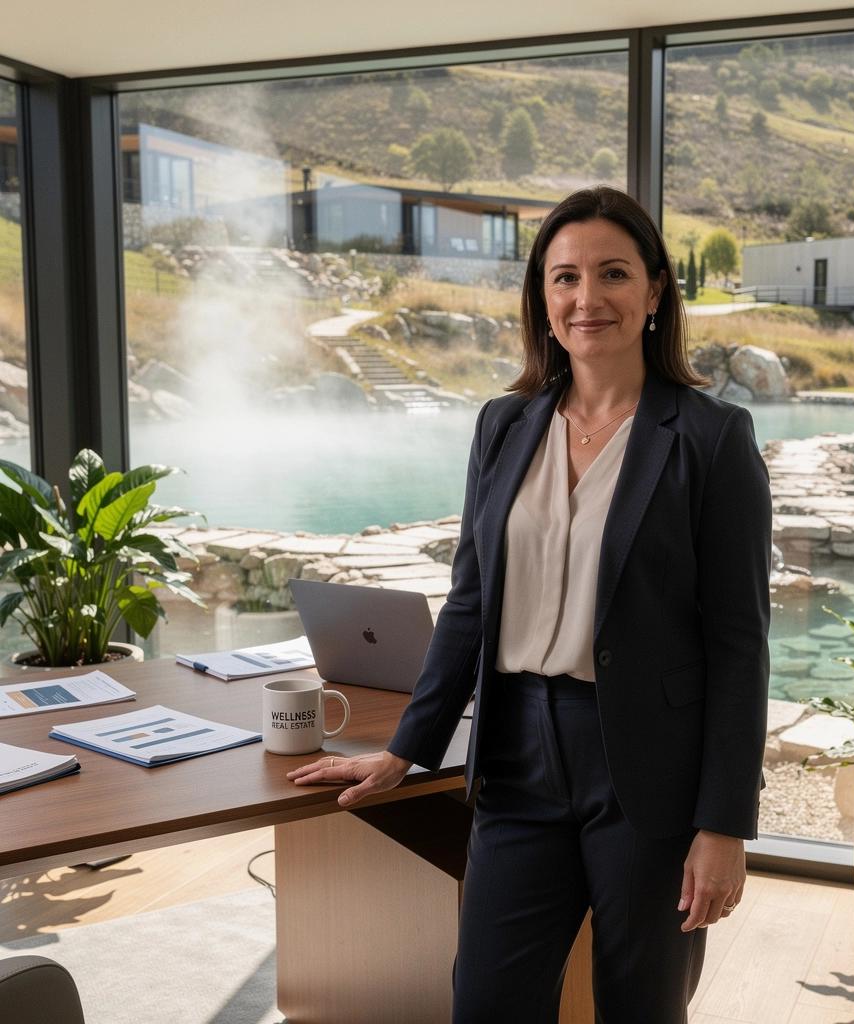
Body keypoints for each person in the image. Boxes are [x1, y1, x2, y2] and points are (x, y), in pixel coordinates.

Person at [288, 186, 772, 1023]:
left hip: (648, 776)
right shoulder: (504, 425)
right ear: (543, 301)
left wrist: (724, 824)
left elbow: (739, 646)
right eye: (566, 278)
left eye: (614, 274)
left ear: (655, 291)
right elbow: (471, 604)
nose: (589, 299)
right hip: (515, 758)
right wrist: (406, 750)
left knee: (641, 1009)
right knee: (485, 1003)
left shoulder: (710, 439)